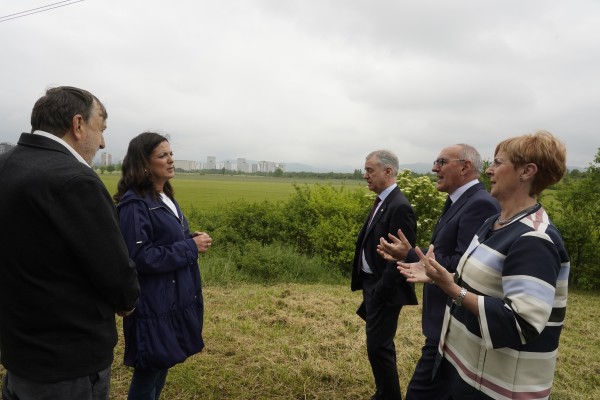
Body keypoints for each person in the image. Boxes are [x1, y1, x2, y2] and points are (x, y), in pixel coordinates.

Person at [398, 131, 569, 399]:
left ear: (527, 171)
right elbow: (477, 281)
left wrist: (452, 289)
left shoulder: (535, 238)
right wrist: (440, 275)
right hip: (463, 366)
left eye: (498, 163)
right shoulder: (493, 224)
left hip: (494, 386)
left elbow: (522, 322)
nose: (489, 170)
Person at [0, 86, 140, 400]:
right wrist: (128, 301)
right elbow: (116, 273)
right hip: (69, 361)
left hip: (19, 351)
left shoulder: (6, 165)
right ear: (78, 125)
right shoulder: (74, 180)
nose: (103, 141)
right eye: (100, 129)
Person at [377, 144, 499, 399]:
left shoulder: (480, 204)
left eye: (441, 162)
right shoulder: (460, 199)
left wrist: (410, 254)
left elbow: (463, 264)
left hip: (453, 321)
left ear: (465, 166)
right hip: (444, 323)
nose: (434, 168)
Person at [113, 132, 212, 400]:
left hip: (172, 299)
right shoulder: (134, 204)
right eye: (162, 155)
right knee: (149, 371)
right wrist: (190, 248)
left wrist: (188, 239)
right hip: (153, 303)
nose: (170, 160)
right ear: (144, 163)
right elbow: (140, 255)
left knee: (162, 363)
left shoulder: (164, 196)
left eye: (171, 154)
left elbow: (164, 241)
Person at [350, 149, 418, 400]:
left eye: (370, 170)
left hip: (384, 289)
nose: (365, 175)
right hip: (373, 285)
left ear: (388, 172)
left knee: (380, 348)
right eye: (365, 169)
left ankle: (388, 396)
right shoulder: (382, 201)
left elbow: (401, 255)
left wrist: (380, 291)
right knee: (376, 346)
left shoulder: (399, 206)